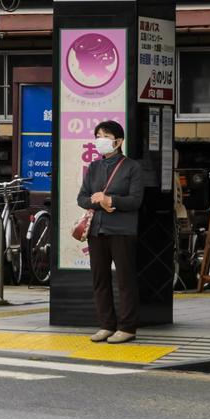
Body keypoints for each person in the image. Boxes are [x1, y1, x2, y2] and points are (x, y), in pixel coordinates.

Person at [76, 120, 145, 344]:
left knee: (125, 279)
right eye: (98, 135)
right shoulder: (94, 167)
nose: (100, 140)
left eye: (105, 136)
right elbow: (82, 197)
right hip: (97, 230)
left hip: (122, 230)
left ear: (119, 141)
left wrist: (111, 200)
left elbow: (136, 200)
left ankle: (127, 327)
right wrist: (99, 201)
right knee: (100, 279)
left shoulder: (132, 167)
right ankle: (106, 324)